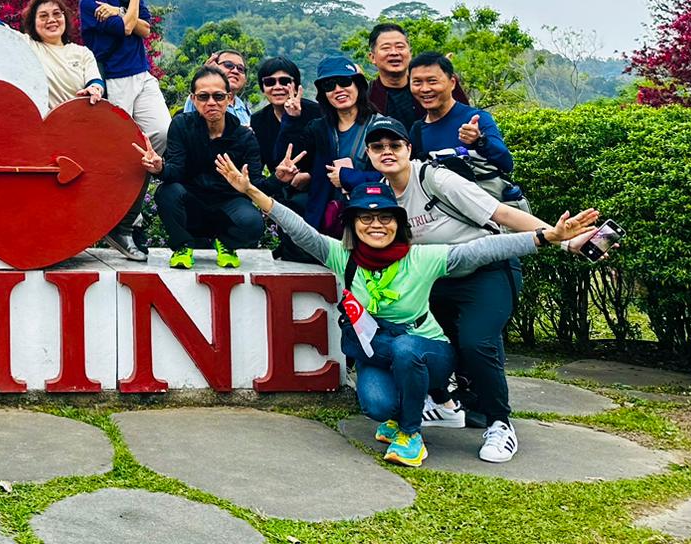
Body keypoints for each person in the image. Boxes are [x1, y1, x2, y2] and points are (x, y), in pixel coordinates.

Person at [214, 152, 597, 468]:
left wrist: (548, 237)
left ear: (399, 224)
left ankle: (412, 435)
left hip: (425, 349)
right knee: (377, 404)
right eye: (366, 217)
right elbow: (299, 230)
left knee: (406, 349)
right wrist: (251, 191)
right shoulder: (342, 256)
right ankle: (400, 416)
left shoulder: (423, 258)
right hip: (375, 350)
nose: (376, 225)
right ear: (352, 223)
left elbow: (483, 250)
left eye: (385, 218)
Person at [361, 115, 585, 463]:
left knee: (476, 342)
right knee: (423, 339)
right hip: (438, 279)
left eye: (394, 145)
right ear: (369, 154)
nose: (386, 152)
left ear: (408, 148)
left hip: (487, 268)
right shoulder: (382, 194)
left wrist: (561, 240)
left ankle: (499, 423)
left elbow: (501, 214)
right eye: (378, 146)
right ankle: (447, 404)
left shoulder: (434, 178)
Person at [72, 0, 168, 262]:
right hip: (114, 80)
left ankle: (126, 219)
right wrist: (131, 2)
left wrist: (124, 5)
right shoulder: (89, 3)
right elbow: (129, 26)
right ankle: (124, 223)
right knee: (125, 151)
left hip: (142, 76)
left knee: (162, 135)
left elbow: (144, 29)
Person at [139, 66, 265, 270]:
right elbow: (176, 172)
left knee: (253, 224)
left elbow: (258, 184)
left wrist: (278, 178)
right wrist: (159, 167)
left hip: (228, 204)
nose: (211, 103)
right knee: (168, 192)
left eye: (218, 96)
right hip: (192, 203)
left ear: (229, 98)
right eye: (204, 96)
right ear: (193, 99)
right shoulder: (181, 126)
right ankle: (183, 246)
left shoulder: (244, 137)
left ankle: (226, 244)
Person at [274, 55, 378, 233]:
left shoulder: (380, 128)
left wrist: (348, 177)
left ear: (358, 85)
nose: (338, 89)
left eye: (344, 82)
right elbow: (289, 159)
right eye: (329, 86)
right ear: (324, 95)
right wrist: (291, 119)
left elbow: (394, 177)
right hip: (326, 218)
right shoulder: (319, 129)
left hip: (370, 216)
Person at [408, 52, 511, 171]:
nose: (425, 89)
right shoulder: (417, 131)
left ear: (452, 83)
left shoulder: (476, 119)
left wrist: (479, 141)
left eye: (432, 81)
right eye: (417, 82)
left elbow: (507, 164)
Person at [366, 23, 470, 130]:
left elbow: (466, 119)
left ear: (410, 53)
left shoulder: (438, 86)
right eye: (386, 48)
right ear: (372, 57)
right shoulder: (367, 96)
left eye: (400, 47)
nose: (394, 52)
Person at [249, 57, 321, 211]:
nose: (277, 87)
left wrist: (311, 175)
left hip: (318, 187)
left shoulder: (317, 113)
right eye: (270, 82)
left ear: (295, 86)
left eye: (284, 81)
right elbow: (266, 161)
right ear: (263, 88)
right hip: (281, 188)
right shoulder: (258, 121)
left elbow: (331, 154)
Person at [181, 50, 252, 126]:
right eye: (228, 65)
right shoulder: (199, 99)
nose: (235, 71)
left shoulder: (244, 108)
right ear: (213, 66)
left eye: (240, 68)